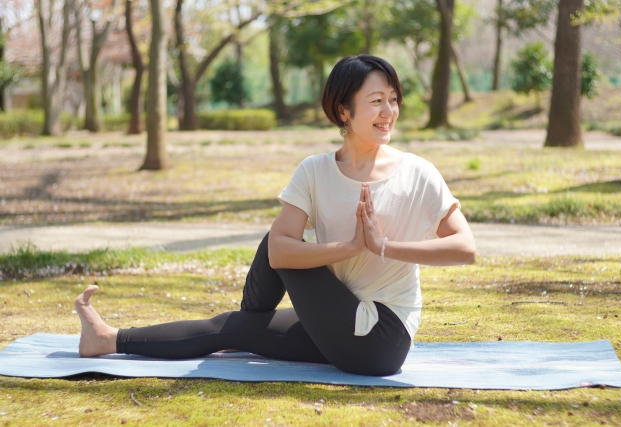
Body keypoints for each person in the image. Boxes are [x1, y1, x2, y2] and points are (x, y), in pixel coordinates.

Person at [75, 55, 476, 377]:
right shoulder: (315, 171)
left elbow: (465, 248)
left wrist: (382, 246)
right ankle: (107, 340)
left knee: (275, 247)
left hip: (381, 338)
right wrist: (350, 247)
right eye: (376, 101)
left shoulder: (417, 173)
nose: (389, 110)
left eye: (393, 98)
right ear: (344, 112)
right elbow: (281, 253)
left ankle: (250, 317)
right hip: (335, 320)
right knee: (232, 325)